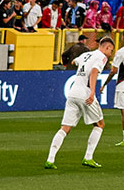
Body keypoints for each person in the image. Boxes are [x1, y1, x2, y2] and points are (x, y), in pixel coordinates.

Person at [47, 34, 112, 169]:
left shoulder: (86, 55)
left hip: (73, 93)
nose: (110, 54)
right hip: (85, 93)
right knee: (99, 124)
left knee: (65, 128)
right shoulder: (102, 57)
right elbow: (94, 72)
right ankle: (88, 157)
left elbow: (73, 61)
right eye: (111, 50)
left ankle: (50, 159)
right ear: (106, 47)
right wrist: (92, 92)